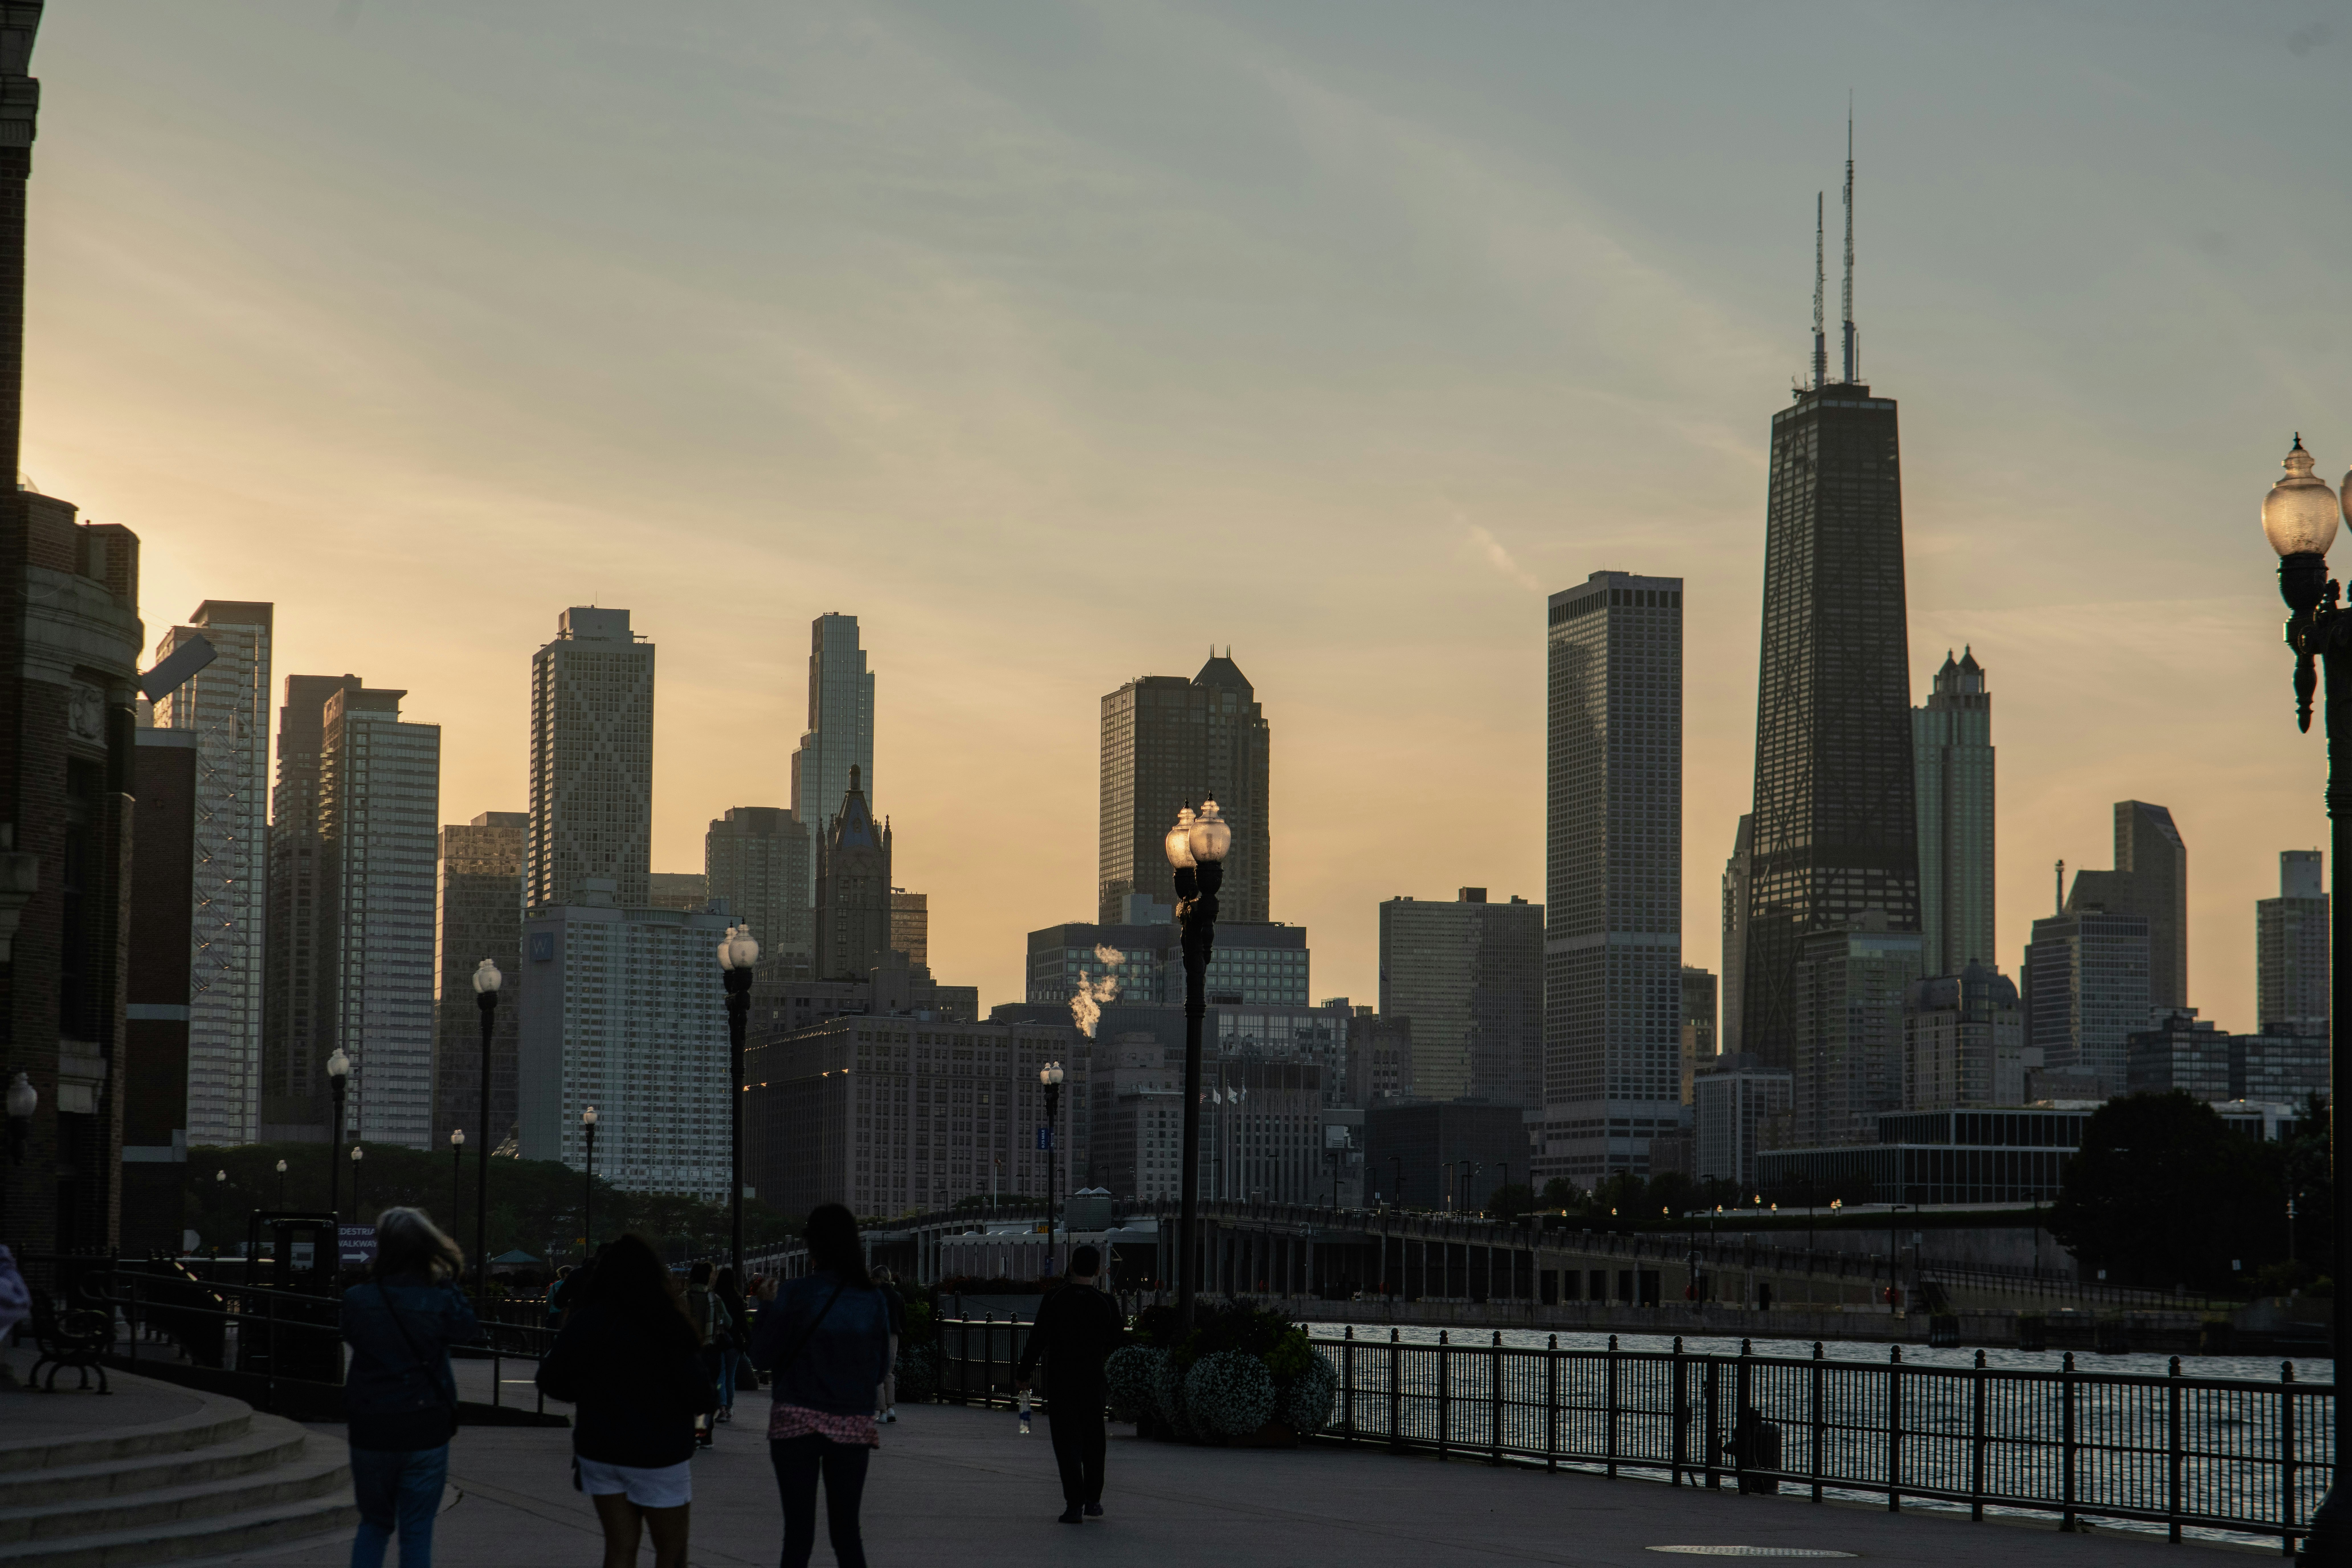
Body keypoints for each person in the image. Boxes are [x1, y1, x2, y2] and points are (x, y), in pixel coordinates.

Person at [536, 1236, 716, 1568]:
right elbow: (701, 1394)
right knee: (672, 1550)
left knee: (620, 1548)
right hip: (660, 1451)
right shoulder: (669, 1324)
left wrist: (590, 1392)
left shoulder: (589, 1320)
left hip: (601, 1449)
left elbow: (549, 1379)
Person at [339, 1208, 481, 1568]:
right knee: (417, 1529)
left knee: (374, 1523)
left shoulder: (358, 1299)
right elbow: (468, 1330)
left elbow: (353, 1336)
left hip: (372, 1424)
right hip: (425, 1421)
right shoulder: (439, 1297)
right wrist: (445, 1281)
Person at [753, 1204, 891, 1568]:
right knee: (847, 1533)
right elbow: (880, 1371)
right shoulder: (873, 1298)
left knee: (798, 1535)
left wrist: (765, 1306)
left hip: (795, 1421)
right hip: (851, 1423)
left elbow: (762, 1356)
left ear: (812, 1245)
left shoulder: (796, 1292)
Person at [1015, 1245, 1125, 1524]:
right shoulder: (1106, 1303)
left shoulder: (1055, 1298)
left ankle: (1074, 1503)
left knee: (1067, 1444)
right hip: (1093, 1380)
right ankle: (1093, 1498)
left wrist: (1024, 1372)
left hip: (1062, 1380)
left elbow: (1038, 1338)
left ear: (1072, 1267)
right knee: (1094, 1441)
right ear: (1098, 1270)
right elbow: (1117, 1341)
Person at [710, 1266, 750, 1422]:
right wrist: (749, 1339)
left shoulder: (715, 1298)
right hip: (734, 1343)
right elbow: (742, 1323)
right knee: (731, 1377)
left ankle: (721, 1408)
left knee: (721, 1376)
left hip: (719, 1341)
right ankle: (729, 1408)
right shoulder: (737, 1298)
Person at [870, 1267, 905, 1422]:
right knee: (889, 1373)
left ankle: (882, 1412)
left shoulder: (874, 1295)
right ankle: (891, 1409)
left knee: (877, 1373)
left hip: (877, 1336)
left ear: (878, 1278)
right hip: (893, 1335)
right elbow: (903, 1319)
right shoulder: (897, 1296)